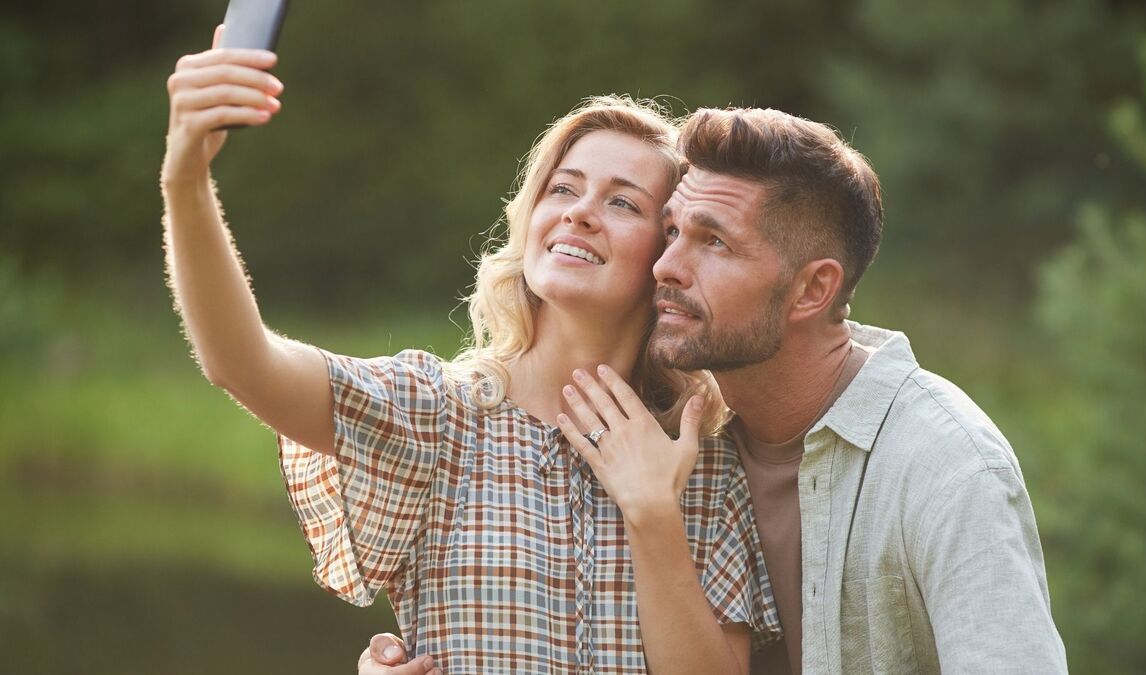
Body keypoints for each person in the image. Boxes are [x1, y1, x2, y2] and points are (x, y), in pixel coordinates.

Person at [160, 26, 780, 675]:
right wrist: (186, 178)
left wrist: (654, 512)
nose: (579, 212)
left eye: (622, 201)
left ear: (666, 251)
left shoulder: (698, 459)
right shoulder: (439, 415)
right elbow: (242, 361)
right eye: (563, 189)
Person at [364, 107, 1069, 674]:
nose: (665, 265)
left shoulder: (944, 464)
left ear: (813, 288)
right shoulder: (676, 442)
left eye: (713, 242)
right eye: (670, 231)